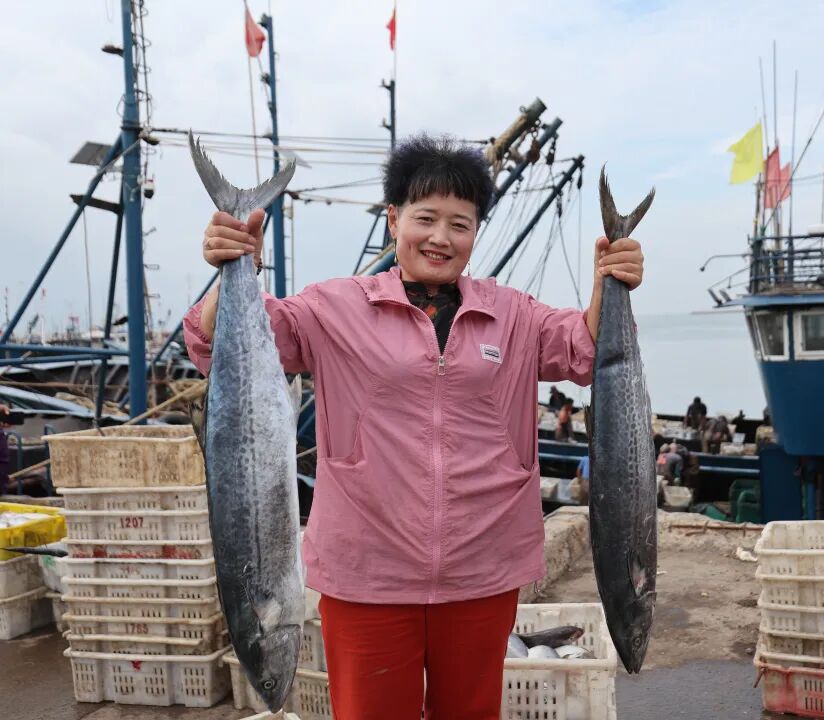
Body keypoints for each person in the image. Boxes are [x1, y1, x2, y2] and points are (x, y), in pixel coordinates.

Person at [183, 134, 646, 720]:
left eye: (460, 224)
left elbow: (585, 349)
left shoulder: (515, 315)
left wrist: (610, 282)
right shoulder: (333, 308)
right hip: (365, 572)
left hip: (483, 568)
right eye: (425, 218)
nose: (440, 237)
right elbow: (215, 345)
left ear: (475, 232)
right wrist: (233, 266)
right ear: (393, 219)